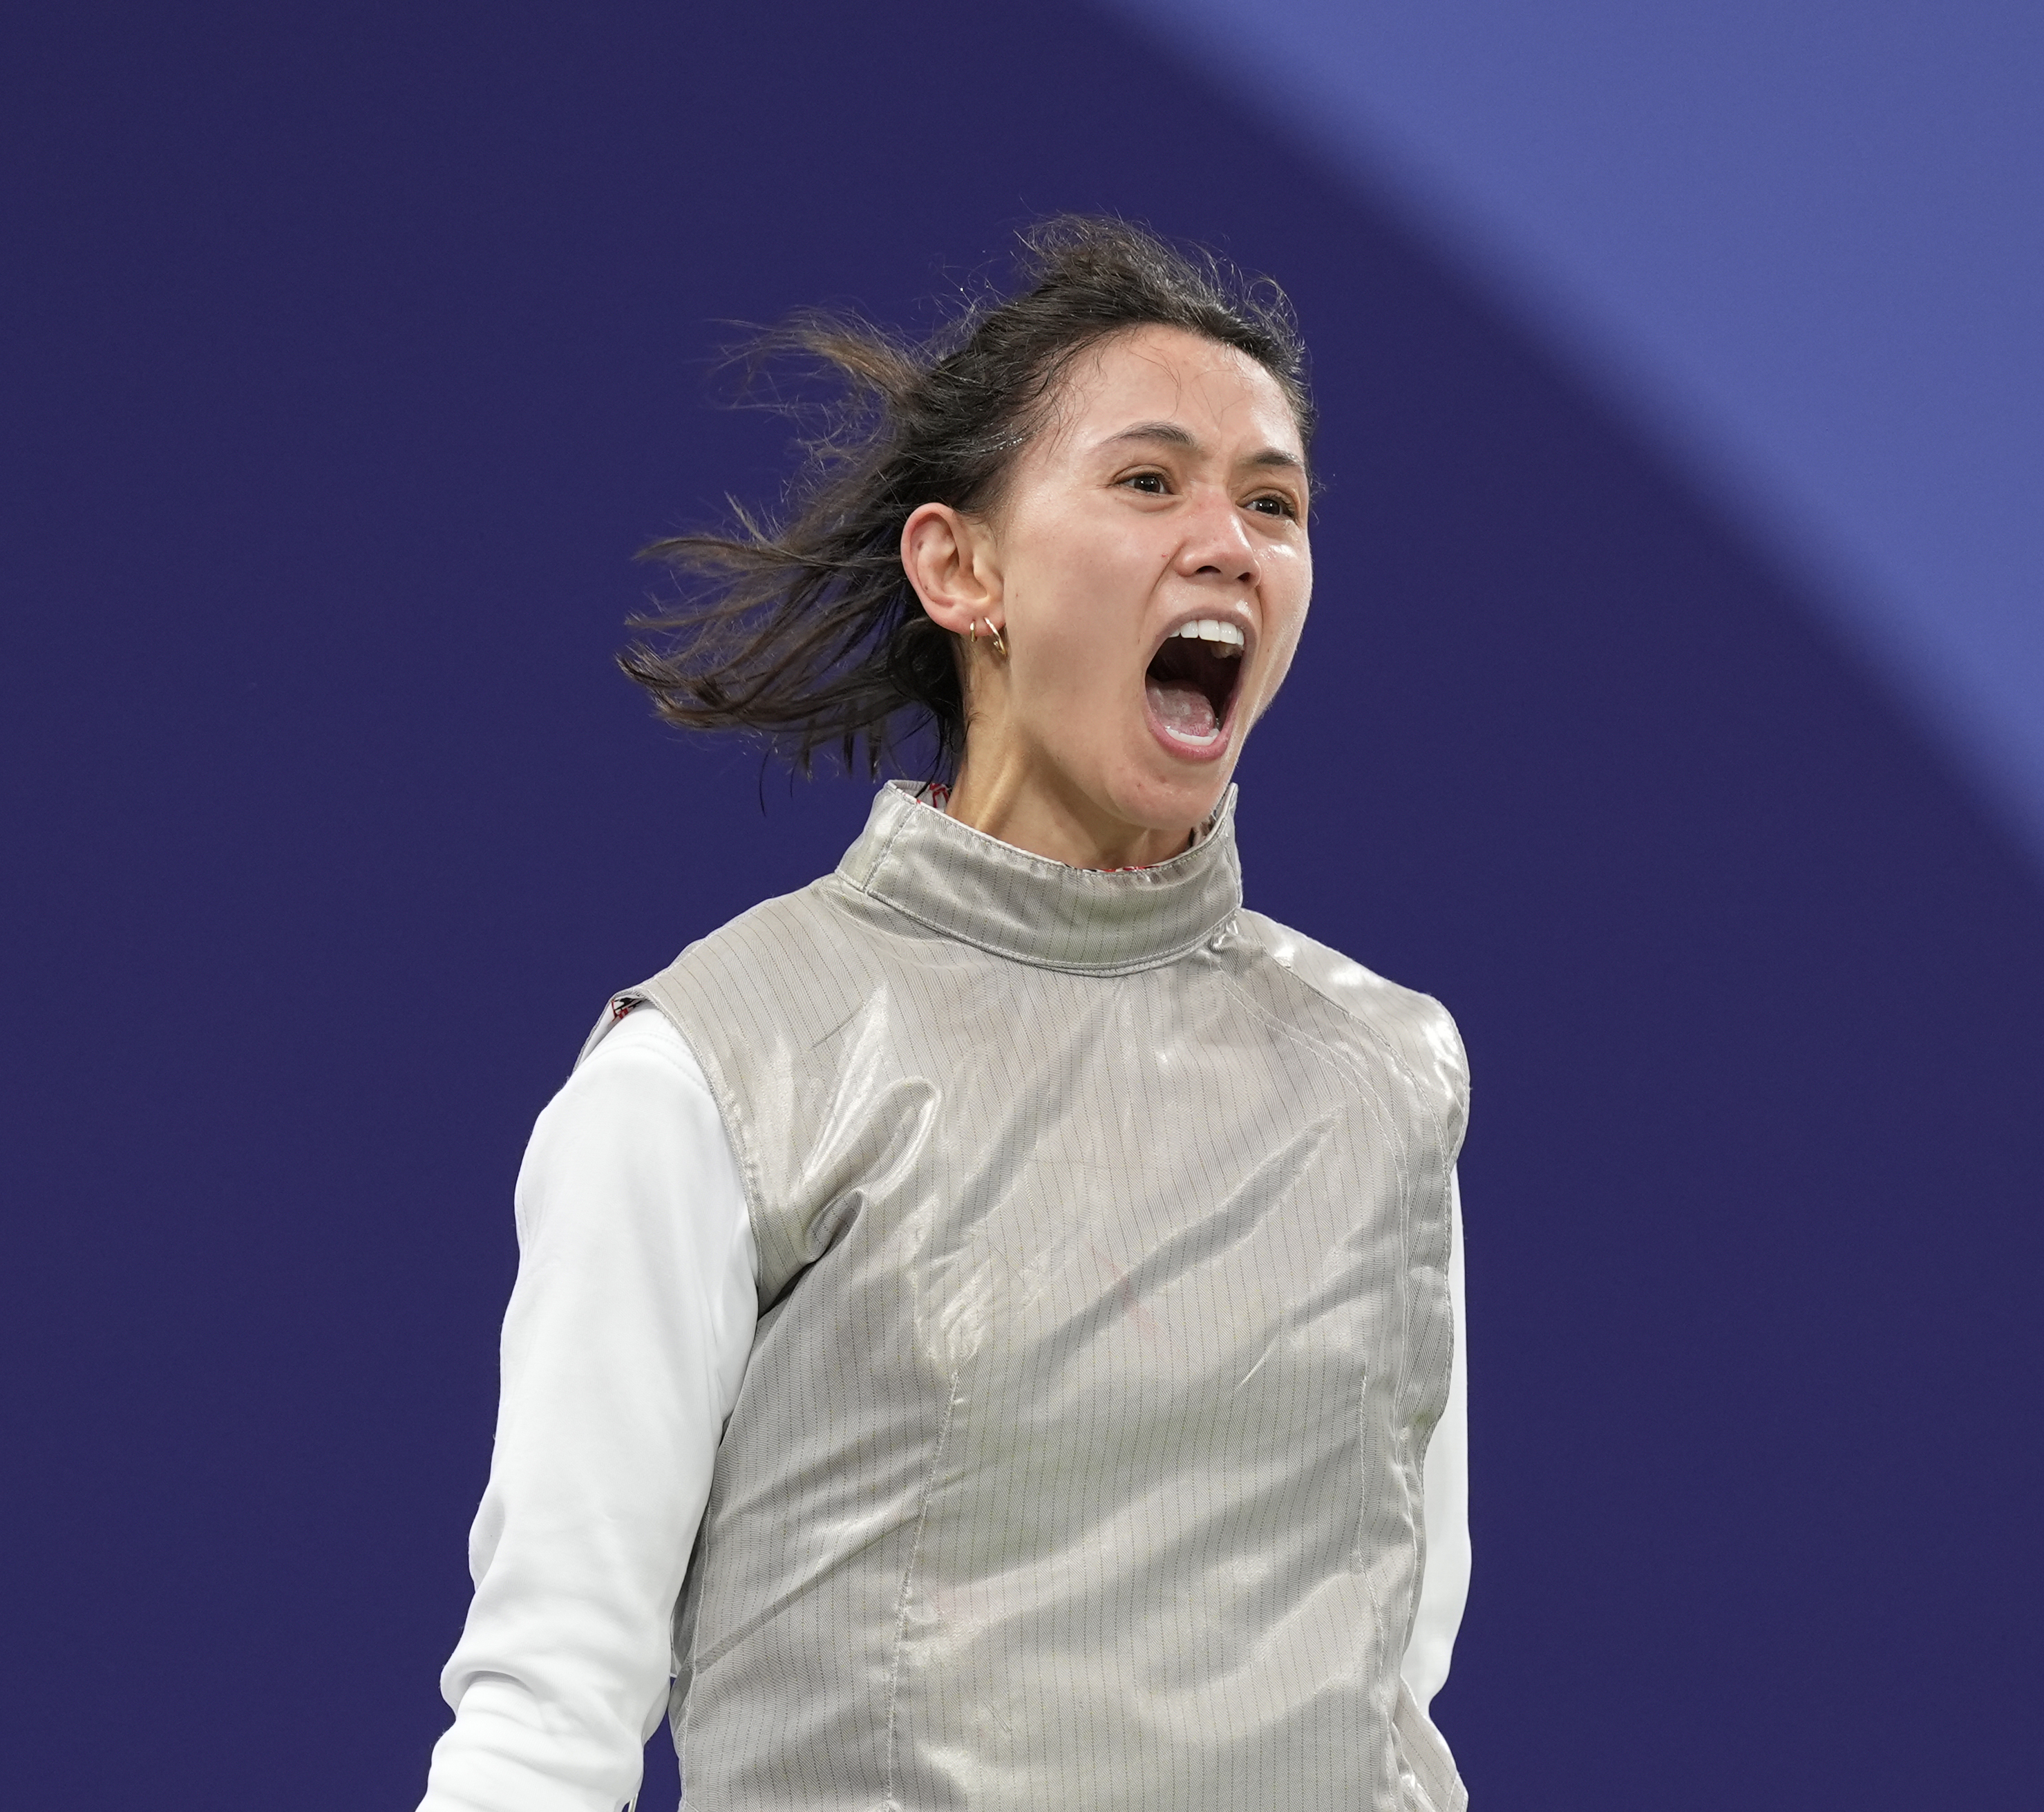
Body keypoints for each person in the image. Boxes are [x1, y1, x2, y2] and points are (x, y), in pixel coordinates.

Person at [415, 218, 1473, 1812]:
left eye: (1272, 503)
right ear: (959, 567)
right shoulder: (716, 1072)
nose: (1228, 543)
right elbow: (545, 1719)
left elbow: (1390, 1680)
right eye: (1147, 481)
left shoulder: (1387, 1077)